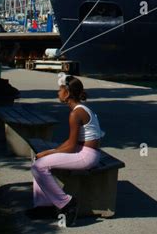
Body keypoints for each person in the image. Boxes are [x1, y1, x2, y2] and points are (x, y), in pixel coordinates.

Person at [26, 74, 105, 226]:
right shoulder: (81, 109)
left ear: (67, 93)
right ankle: (44, 207)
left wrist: (49, 152)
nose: (57, 93)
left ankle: (67, 203)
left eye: (60, 90)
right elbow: (71, 142)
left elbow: (70, 146)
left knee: (39, 166)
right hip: (84, 152)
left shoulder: (76, 113)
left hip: (86, 156)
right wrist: (52, 151)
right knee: (39, 161)